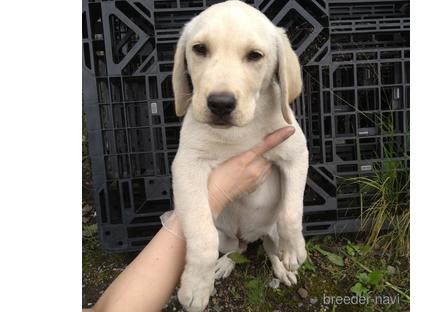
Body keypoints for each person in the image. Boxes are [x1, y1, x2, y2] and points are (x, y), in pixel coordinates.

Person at [84, 126, 296, 312]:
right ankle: (233, 253)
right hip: (226, 222)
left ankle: (274, 258)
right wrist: (213, 196)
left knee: (277, 236)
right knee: (222, 234)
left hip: (264, 214)